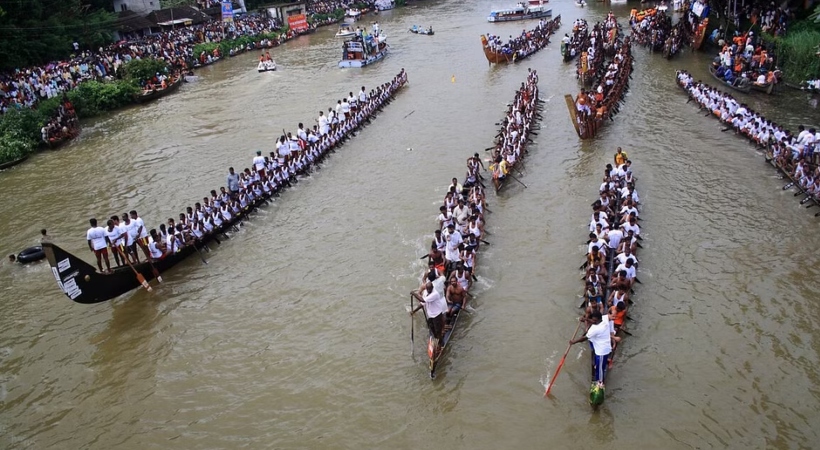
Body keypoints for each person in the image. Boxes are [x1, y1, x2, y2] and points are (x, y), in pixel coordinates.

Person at [569, 311, 619, 387]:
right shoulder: (604, 319)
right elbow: (592, 320)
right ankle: (599, 375)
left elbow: (584, 338)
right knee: (598, 366)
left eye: (595, 320)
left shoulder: (595, 329)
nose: (593, 321)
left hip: (602, 351)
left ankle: (600, 383)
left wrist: (573, 342)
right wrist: (585, 319)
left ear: (599, 319)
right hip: (602, 348)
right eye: (593, 320)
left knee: (600, 369)